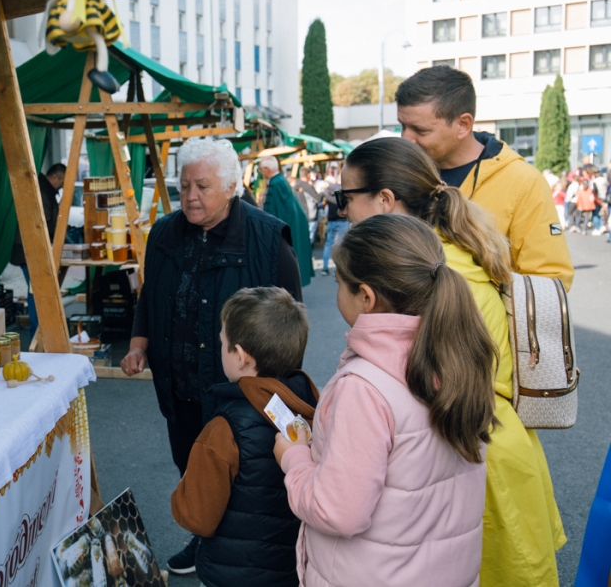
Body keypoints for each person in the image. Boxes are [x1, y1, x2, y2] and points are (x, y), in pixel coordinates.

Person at [337, 137, 565, 587]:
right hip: (486, 447)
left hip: (470, 458)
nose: (343, 211)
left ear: (385, 200)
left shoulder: (429, 272)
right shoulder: (445, 253)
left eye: (347, 197)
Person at [274, 214, 493, 587]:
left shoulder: (365, 387)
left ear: (366, 297)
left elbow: (338, 511)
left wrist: (293, 457)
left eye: (341, 284)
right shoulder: (459, 356)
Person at [120, 139, 302, 575]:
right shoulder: (165, 231)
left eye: (202, 186)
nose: (190, 196)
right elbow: (150, 295)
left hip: (243, 397)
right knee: (194, 468)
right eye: (184, 186)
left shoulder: (265, 237)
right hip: (180, 386)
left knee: (249, 484)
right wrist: (139, 344)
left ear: (232, 187)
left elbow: (291, 322)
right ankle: (204, 540)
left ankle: (254, 559)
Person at [171, 286, 317, 586]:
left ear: (239, 356)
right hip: (294, 569)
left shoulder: (224, 429)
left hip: (233, 574)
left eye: (222, 342)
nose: (220, 347)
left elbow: (195, 516)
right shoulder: (310, 407)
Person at [396, 65, 573, 288]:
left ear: (463, 125)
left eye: (420, 131)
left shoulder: (523, 182)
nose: (405, 138)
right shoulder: (401, 171)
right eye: (402, 126)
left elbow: (548, 280)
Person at [10, 162, 65, 343]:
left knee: (36, 290)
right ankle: (37, 333)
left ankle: (39, 331)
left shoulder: (43, 188)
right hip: (31, 249)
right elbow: (43, 224)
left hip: (32, 248)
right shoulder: (42, 191)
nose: (63, 186)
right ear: (55, 177)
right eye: (63, 181)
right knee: (36, 290)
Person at [259, 157, 313, 286]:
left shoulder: (276, 183)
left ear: (267, 169)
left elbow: (271, 211)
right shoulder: (280, 180)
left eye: (261, 169)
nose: (261, 172)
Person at [320, 176, 347, 276]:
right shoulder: (343, 191)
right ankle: (338, 268)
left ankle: (325, 268)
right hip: (343, 220)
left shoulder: (327, 192)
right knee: (340, 245)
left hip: (331, 220)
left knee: (328, 244)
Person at [292, 170, 322, 244]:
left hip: (297, 216)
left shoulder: (295, 186)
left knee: (300, 241)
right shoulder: (307, 186)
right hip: (309, 216)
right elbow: (317, 199)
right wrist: (322, 192)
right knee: (308, 242)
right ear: (308, 175)